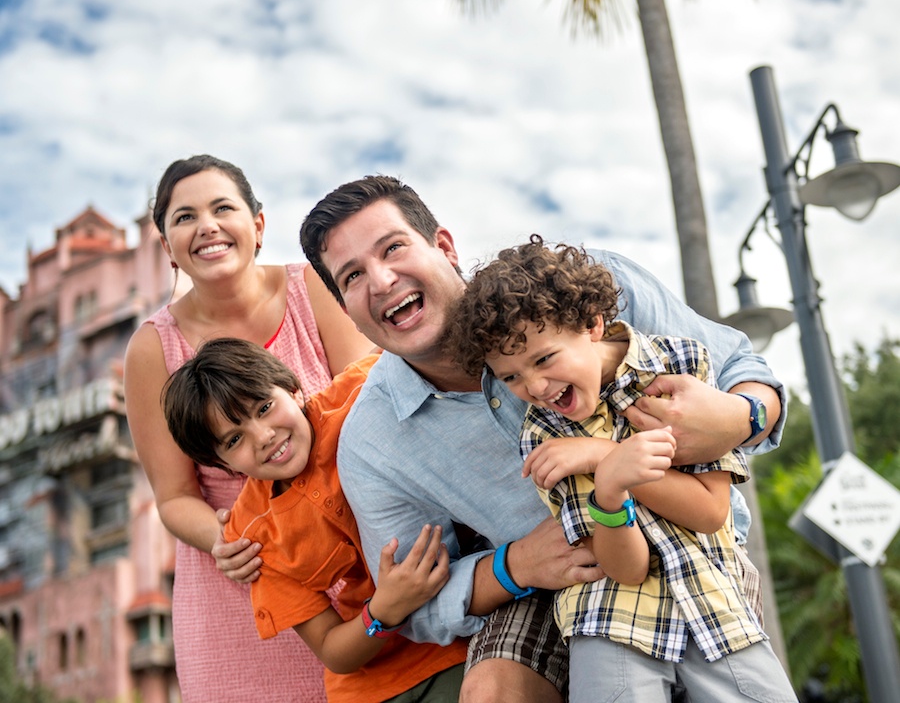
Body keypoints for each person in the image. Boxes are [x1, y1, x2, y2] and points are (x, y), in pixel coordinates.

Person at [298, 175, 786, 703]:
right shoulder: (374, 442)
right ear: (345, 308)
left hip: (693, 544)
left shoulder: (580, 287)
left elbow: (739, 363)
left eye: (393, 247)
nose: (382, 279)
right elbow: (416, 603)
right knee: (492, 693)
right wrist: (514, 567)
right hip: (553, 585)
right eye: (352, 276)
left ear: (443, 245)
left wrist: (741, 413)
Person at [445, 236, 797, 702]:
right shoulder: (543, 436)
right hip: (609, 619)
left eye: (544, 359)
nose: (534, 385)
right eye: (510, 377)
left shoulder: (681, 366)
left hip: (714, 607)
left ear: (591, 325)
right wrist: (609, 496)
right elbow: (623, 568)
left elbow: (711, 512)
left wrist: (604, 456)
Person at [123, 155, 373, 702]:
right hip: (243, 580)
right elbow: (174, 496)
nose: (207, 226)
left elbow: (367, 406)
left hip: (355, 549)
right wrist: (228, 541)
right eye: (184, 217)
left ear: (257, 225)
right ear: (167, 247)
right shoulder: (151, 350)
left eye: (222, 208)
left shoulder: (313, 288)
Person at [162, 338, 468, 702]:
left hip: (458, 640)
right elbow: (331, 649)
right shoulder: (256, 534)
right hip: (371, 686)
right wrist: (386, 609)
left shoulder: (361, 393)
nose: (263, 436)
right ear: (223, 465)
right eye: (233, 440)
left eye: (264, 407)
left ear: (293, 388)